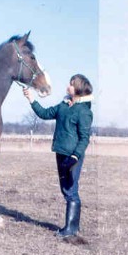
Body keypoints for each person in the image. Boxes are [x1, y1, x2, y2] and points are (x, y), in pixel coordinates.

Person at [23, 74, 93, 237]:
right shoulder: (63, 105)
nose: (68, 86)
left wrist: (75, 157)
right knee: (66, 189)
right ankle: (73, 226)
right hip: (60, 153)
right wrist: (31, 99)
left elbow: (84, 138)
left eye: (71, 84)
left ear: (79, 89)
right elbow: (45, 114)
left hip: (72, 156)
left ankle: (70, 229)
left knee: (70, 189)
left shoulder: (84, 112)